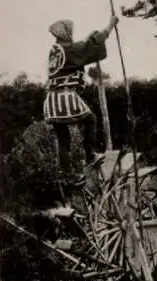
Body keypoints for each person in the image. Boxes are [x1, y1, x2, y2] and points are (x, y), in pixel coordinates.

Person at [43, 16, 119, 186]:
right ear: (66, 33)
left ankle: (67, 175)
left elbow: (81, 47)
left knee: (64, 138)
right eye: (70, 31)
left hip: (51, 100)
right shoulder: (69, 50)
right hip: (65, 97)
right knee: (90, 119)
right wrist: (110, 26)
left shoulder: (55, 50)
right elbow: (90, 45)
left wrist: (88, 39)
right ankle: (90, 155)